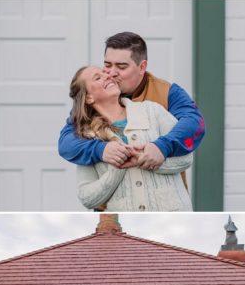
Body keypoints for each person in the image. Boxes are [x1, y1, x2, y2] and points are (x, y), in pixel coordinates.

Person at [58, 32, 205, 201]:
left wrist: (162, 146)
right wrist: (101, 149)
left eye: (121, 67)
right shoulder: (91, 103)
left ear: (142, 67)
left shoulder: (168, 92)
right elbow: (66, 143)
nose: (111, 73)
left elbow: (194, 123)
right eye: (107, 65)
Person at [68, 65, 192, 211]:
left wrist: (147, 158)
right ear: (89, 97)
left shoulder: (152, 110)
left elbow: (186, 158)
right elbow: (86, 197)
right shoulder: (87, 137)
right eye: (98, 77)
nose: (108, 75)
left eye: (104, 73)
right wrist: (116, 169)